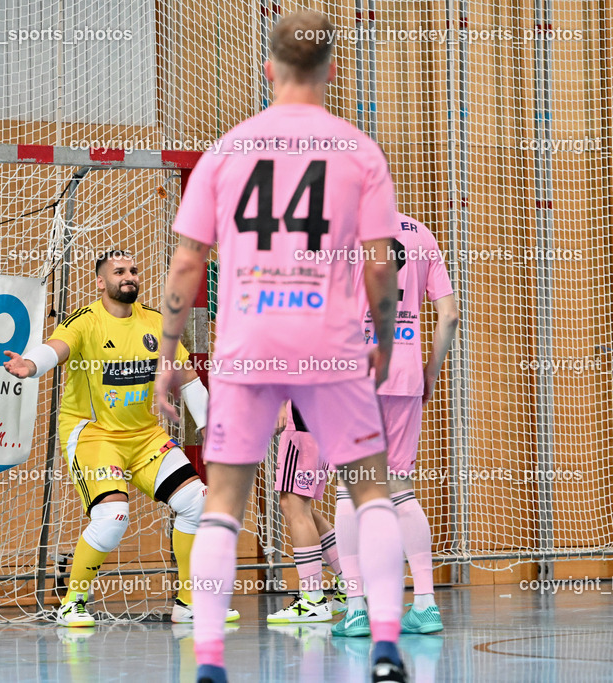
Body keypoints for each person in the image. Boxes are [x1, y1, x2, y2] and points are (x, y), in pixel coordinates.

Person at [154, 11, 409, 683]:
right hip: (329, 341)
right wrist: (382, 338)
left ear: (268, 68)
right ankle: (385, 644)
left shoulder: (227, 149)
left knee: (223, 502)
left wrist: (167, 355)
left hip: (247, 344)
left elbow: (185, 266)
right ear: (330, 71)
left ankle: (209, 660)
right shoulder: (359, 151)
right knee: (372, 492)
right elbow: (381, 265)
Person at [3, 250, 238, 627]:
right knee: (112, 517)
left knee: (198, 502)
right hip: (94, 435)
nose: (128, 276)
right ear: (101, 282)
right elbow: (56, 348)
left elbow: (188, 379)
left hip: (144, 436)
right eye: (118, 271)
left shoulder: (157, 324)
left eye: (132, 270)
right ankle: (73, 602)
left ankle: (190, 603)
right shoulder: (86, 322)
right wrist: (30, 366)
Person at [332, 214, 459, 637]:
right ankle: (425, 604)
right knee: (400, 488)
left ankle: (355, 609)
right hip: (404, 373)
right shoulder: (420, 232)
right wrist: (430, 374)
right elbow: (450, 316)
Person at [265, 401, 346, 624]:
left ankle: (313, 599)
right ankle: (351, 581)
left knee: (294, 505)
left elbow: (295, 365)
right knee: (299, 506)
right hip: (321, 416)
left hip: (302, 417)